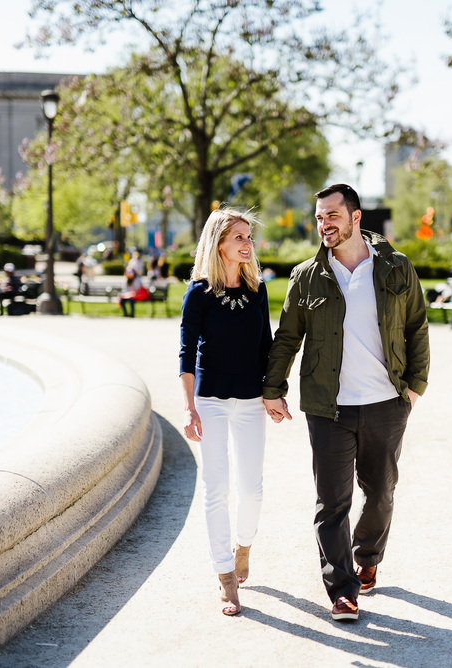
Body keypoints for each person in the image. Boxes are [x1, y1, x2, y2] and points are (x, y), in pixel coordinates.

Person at [263, 184, 430, 623]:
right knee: (331, 503)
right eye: (319, 217)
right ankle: (342, 589)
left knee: (381, 492)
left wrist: (415, 387)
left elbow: (417, 327)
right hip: (328, 406)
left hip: (385, 402)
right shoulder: (306, 276)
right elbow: (287, 338)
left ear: (356, 217)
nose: (324, 224)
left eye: (333, 215)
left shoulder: (396, 267)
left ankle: (368, 554)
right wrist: (273, 387)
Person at [179, 206, 273, 616]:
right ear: (219, 242)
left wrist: (275, 393)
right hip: (211, 401)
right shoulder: (198, 293)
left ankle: (243, 548)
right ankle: (225, 578)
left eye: (249, 237)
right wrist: (188, 409)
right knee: (216, 490)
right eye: (239, 237)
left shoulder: (258, 289)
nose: (247, 243)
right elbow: (185, 354)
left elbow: (266, 346)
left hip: (252, 399)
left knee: (251, 489)